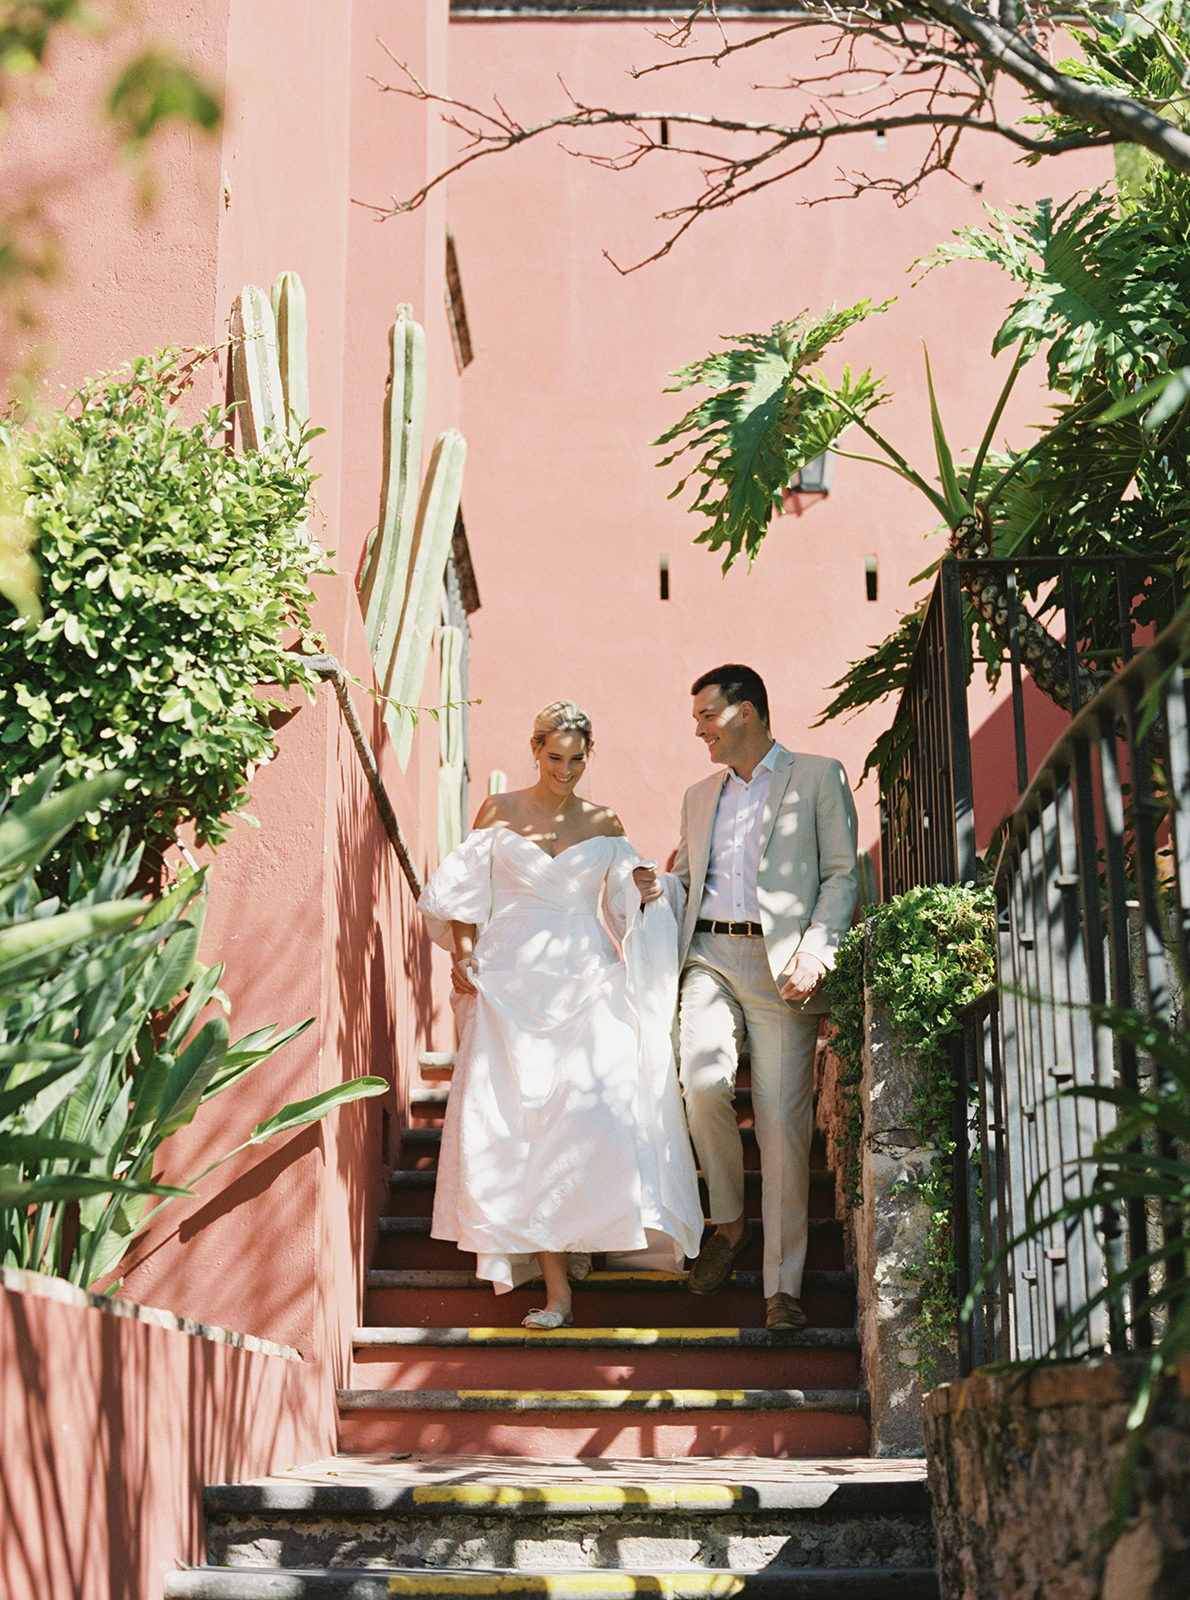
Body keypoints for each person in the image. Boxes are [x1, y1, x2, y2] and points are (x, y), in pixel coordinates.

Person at [416, 700, 703, 1330]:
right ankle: (556, 1290)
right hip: (511, 980)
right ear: (535, 746)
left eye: (577, 759)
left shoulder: (604, 820)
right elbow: (465, 892)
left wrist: (648, 888)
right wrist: (463, 956)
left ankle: (587, 1238)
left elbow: (628, 895)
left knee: (588, 1117)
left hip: (587, 975)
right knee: (523, 1127)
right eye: (554, 757)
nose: (565, 769)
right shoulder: (498, 812)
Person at [672, 665, 858, 1332]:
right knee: (701, 1077)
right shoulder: (699, 796)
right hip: (709, 957)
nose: (698, 729)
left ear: (745, 711)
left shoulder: (818, 776)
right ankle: (730, 1221)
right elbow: (684, 883)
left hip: (784, 967)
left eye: (707, 715)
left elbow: (841, 876)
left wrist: (817, 950)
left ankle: (783, 1285)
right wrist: (646, 885)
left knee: (782, 1122)